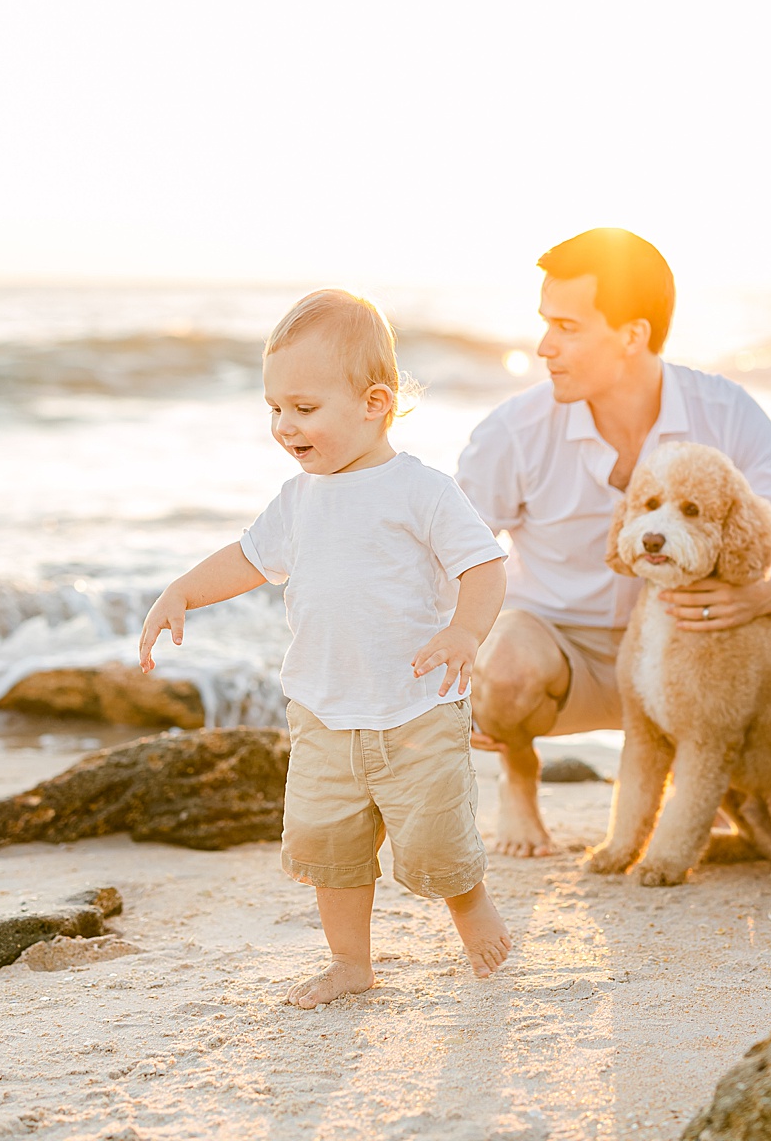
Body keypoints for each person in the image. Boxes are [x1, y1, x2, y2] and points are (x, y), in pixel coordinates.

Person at [138, 288, 513, 1008]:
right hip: (321, 713)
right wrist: (182, 590)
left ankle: (471, 911)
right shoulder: (297, 498)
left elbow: (484, 565)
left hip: (415, 709)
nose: (284, 426)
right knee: (331, 849)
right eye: (274, 409)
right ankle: (351, 962)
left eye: (304, 410)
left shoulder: (421, 491)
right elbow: (248, 558)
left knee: (435, 839)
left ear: (375, 402)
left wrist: (465, 631)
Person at [457, 228, 771, 857]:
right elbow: (450, 564)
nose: (544, 346)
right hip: (570, 657)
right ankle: (520, 778)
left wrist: (762, 597)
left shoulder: (724, 409)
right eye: (546, 324)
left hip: (704, 644)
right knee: (505, 667)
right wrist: (463, 676)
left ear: (632, 335)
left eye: (567, 327)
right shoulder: (513, 431)